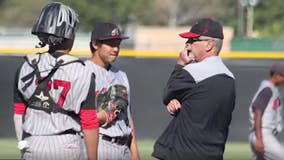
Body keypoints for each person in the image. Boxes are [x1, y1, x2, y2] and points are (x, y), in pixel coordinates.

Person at [13, 2, 99, 160]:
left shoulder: (25, 67)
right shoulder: (82, 71)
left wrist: (23, 146)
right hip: (67, 145)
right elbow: (89, 122)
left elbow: (18, 114)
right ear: (69, 33)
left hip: (32, 144)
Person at [152, 18, 236, 160]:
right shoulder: (230, 78)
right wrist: (179, 102)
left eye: (193, 40)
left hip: (184, 153)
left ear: (209, 44)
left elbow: (168, 93)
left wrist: (180, 64)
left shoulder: (193, 71)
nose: (188, 46)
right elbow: (199, 103)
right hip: (213, 153)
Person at [84, 22, 140, 160]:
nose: (115, 49)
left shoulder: (121, 75)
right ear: (95, 44)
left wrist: (135, 153)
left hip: (123, 148)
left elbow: (128, 117)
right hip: (99, 144)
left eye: (117, 44)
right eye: (110, 44)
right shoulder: (82, 72)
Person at [249, 63, 284, 160]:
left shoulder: (270, 88)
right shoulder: (267, 90)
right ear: (277, 75)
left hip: (260, 134)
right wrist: (259, 139)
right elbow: (258, 112)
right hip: (263, 135)